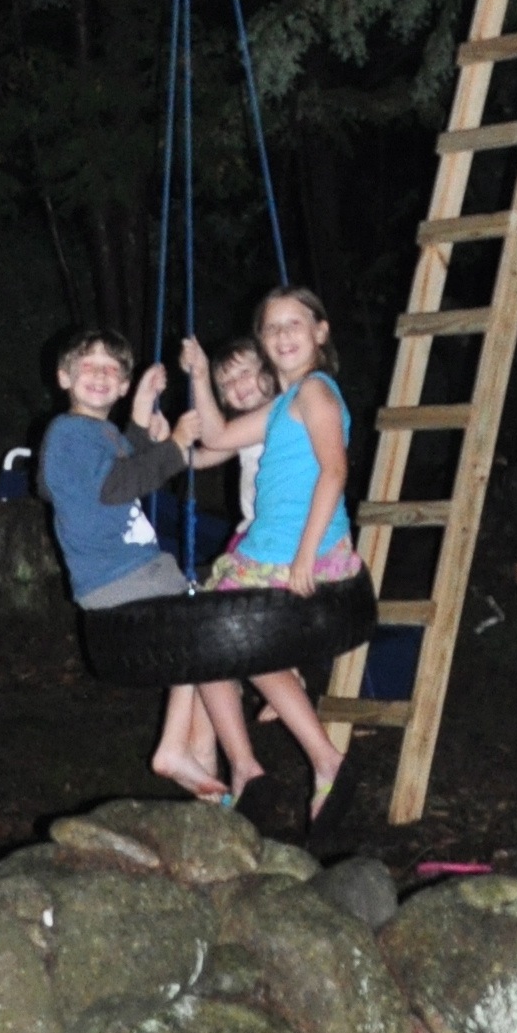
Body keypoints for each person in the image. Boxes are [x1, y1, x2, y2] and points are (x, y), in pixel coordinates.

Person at [35, 329, 258, 804]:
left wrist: (143, 404)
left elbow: (129, 458)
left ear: (120, 385)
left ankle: (204, 778)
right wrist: (177, 444)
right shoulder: (67, 434)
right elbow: (117, 485)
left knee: (205, 659)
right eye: (88, 366)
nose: (100, 374)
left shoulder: (99, 433)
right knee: (205, 641)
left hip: (140, 569)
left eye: (112, 369)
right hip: (119, 574)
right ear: (63, 377)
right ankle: (188, 752)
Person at [183, 284, 356, 819]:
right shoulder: (285, 405)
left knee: (214, 638)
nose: (283, 335)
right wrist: (198, 374)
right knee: (212, 641)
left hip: (289, 555)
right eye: (272, 327)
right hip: (270, 551)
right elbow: (216, 435)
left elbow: (334, 471)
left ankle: (280, 763)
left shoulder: (316, 394)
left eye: (295, 324)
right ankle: (277, 764)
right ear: (262, 340)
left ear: (319, 333)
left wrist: (305, 557)